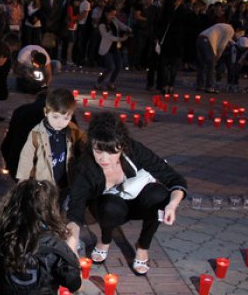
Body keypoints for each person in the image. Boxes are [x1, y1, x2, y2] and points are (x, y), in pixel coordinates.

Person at [66, 112, 187, 275]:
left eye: (111, 152)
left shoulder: (134, 149)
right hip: (108, 207)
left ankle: (143, 246)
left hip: (136, 203)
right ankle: (105, 239)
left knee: (160, 196)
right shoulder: (85, 167)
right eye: (98, 150)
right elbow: (75, 211)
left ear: (122, 146)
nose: (104, 158)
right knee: (109, 206)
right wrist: (71, 247)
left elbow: (174, 178)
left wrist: (172, 205)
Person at [16, 88, 83, 202]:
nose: (60, 122)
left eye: (66, 118)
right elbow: (26, 156)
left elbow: (84, 142)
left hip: (64, 180)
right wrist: (23, 178)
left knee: (61, 204)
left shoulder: (72, 129)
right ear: (46, 112)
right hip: (44, 181)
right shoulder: (36, 133)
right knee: (43, 205)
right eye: (55, 117)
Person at [196, 23, 241, 93]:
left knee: (201, 64)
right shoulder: (231, 30)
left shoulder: (223, 26)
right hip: (208, 41)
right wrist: (218, 56)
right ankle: (209, 86)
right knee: (211, 65)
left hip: (200, 38)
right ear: (237, 29)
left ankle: (200, 85)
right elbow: (222, 45)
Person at [96, 5, 131, 91]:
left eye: (114, 14)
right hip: (106, 48)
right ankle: (98, 82)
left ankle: (111, 83)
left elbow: (122, 25)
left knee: (119, 66)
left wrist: (128, 29)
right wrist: (120, 39)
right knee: (111, 67)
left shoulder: (114, 20)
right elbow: (107, 36)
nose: (113, 16)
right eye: (111, 14)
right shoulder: (102, 25)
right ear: (106, 14)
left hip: (115, 48)